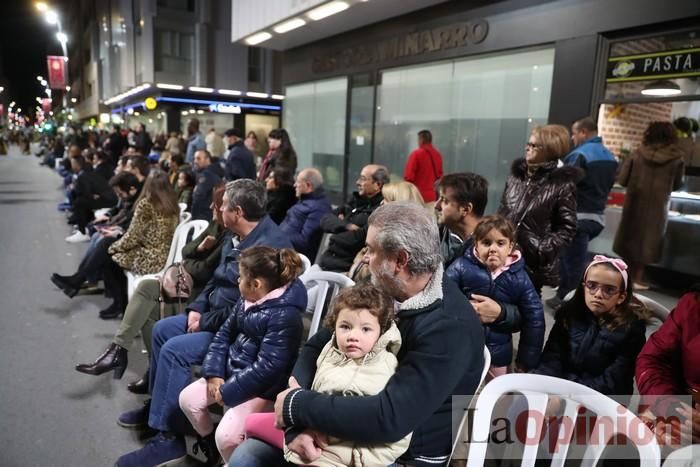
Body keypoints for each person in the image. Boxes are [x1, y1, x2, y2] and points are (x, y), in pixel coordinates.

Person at [229, 202, 485, 467]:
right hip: (340, 427)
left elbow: (390, 417)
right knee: (247, 455)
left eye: (371, 250)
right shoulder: (383, 286)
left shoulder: (450, 327)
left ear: (400, 260)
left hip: (400, 454)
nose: (364, 257)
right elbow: (317, 344)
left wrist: (297, 407)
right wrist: (297, 422)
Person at [114, 179, 293, 467]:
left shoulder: (269, 248)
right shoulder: (234, 234)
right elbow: (215, 279)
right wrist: (197, 308)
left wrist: (205, 319)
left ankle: (168, 438)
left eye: (222, 205)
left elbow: (247, 309)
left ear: (236, 211)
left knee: (174, 349)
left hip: (240, 332)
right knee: (162, 330)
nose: (217, 209)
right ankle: (162, 413)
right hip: (214, 317)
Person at [73, 184, 227, 383]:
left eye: (215, 205)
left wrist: (194, 257)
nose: (210, 208)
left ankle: (144, 368)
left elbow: (203, 271)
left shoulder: (227, 236)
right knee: (145, 291)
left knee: (142, 296)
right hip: (180, 278)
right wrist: (198, 250)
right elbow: (186, 251)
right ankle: (122, 352)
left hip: (195, 291)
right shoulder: (215, 226)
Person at [178, 247, 306, 465]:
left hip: (264, 388)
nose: (238, 280)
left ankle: (232, 461)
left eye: (241, 277)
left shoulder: (285, 315)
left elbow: (269, 366)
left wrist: (228, 390)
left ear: (256, 284)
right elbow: (223, 335)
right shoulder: (248, 298)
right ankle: (213, 451)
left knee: (227, 436)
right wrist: (214, 373)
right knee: (188, 400)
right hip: (233, 372)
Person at [267, 285, 408, 466]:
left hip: (336, 456)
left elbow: (369, 426)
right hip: (309, 433)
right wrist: (295, 427)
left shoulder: (383, 368)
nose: (353, 336)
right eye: (345, 327)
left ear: (381, 331)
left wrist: (354, 459)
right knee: (248, 426)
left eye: (366, 329)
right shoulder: (331, 351)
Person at [533, 255, 647, 399]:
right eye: (592, 286)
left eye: (609, 290)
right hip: (562, 386)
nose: (598, 294)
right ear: (583, 286)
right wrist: (547, 389)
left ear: (621, 297)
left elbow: (614, 380)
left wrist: (567, 396)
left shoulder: (632, 328)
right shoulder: (568, 314)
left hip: (602, 398)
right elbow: (552, 357)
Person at [446, 215, 544, 377]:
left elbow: (535, 318)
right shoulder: (462, 267)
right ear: (476, 244)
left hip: (498, 352)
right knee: (461, 392)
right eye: (486, 242)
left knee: (499, 394)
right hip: (463, 347)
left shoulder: (519, 277)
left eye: (500, 243)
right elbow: (444, 292)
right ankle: (460, 404)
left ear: (510, 247)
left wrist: (526, 360)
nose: (493, 248)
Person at [498, 124, 580, 294]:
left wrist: (541, 250)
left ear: (550, 149)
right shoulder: (516, 177)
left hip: (531, 264)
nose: (528, 148)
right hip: (502, 255)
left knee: (526, 310)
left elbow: (567, 227)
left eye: (534, 145)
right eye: (528, 144)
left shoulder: (561, 184)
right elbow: (503, 209)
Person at [549, 117, 618, 310]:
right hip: (597, 216)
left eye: (574, 133)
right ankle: (566, 296)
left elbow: (565, 187)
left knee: (571, 262)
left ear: (584, 133)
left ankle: (569, 302)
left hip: (577, 216)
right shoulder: (609, 156)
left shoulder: (579, 155)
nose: (572, 137)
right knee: (576, 259)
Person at [613, 121, 685, 290]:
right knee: (648, 243)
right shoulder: (677, 158)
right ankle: (637, 279)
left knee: (628, 240)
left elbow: (622, 180)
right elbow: (678, 185)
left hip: (634, 205)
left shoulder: (636, 154)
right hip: (658, 209)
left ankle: (624, 277)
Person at [102, 170, 180, 318]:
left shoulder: (146, 205)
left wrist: (113, 247)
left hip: (149, 258)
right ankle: (122, 305)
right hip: (167, 256)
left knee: (110, 259)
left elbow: (133, 236)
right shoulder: (173, 205)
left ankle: (120, 305)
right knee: (115, 257)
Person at [51, 172, 142, 297]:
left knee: (102, 240)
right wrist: (111, 222)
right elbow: (121, 211)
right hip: (123, 230)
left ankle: (81, 279)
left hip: (130, 237)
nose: (120, 196)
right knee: (97, 236)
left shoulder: (140, 202)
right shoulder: (132, 198)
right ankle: (83, 278)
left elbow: (134, 225)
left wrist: (118, 230)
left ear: (132, 189)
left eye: (120, 193)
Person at [636, 285, 700, 445]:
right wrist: (669, 405)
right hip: (677, 402)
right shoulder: (692, 304)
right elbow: (652, 359)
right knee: (627, 451)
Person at [347, 181, 423, 282]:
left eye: (386, 199)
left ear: (398, 206)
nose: (381, 203)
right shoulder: (381, 233)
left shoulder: (393, 246)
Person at [318, 164, 388, 272]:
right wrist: (346, 226)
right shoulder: (355, 201)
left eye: (363, 179)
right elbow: (325, 219)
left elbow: (357, 239)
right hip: (324, 263)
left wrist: (336, 229)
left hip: (344, 269)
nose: (357, 182)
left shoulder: (379, 211)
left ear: (377, 185)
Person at [435, 172, 488, 267]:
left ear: (466, 209)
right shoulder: (432, 238)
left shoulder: (496, 249)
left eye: (444, 200)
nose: (437, 206)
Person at [279, 168, 332, 261]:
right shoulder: (305, 200)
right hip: (280, 246)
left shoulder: (319, 208)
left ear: (308, 185)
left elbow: (305, 242)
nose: (294, 185)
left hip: (291, 257)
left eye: (298, 182)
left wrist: (278, 236)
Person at [65, 153, 119, 242]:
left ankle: (82, 232)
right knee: (82, 201)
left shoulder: (87, 173)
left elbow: (88, 191)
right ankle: (85, 227)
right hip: (106, 198)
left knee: (79, 202)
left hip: (108, 199)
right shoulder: (87, 172)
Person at [404, 129, 443, 206]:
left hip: (418, 197)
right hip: (433, 197)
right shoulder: (437, 155)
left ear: (421, 140)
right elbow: (440, 175)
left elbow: (408, 177)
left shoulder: (416, 154)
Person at [191, 150, 222, 221]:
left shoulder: (207, 175)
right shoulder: (210, 172)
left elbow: (198, 198)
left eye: (198, 158)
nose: (195, 161)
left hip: (204, 217)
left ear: (207, 159)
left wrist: (194, 217)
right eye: (194, 158)